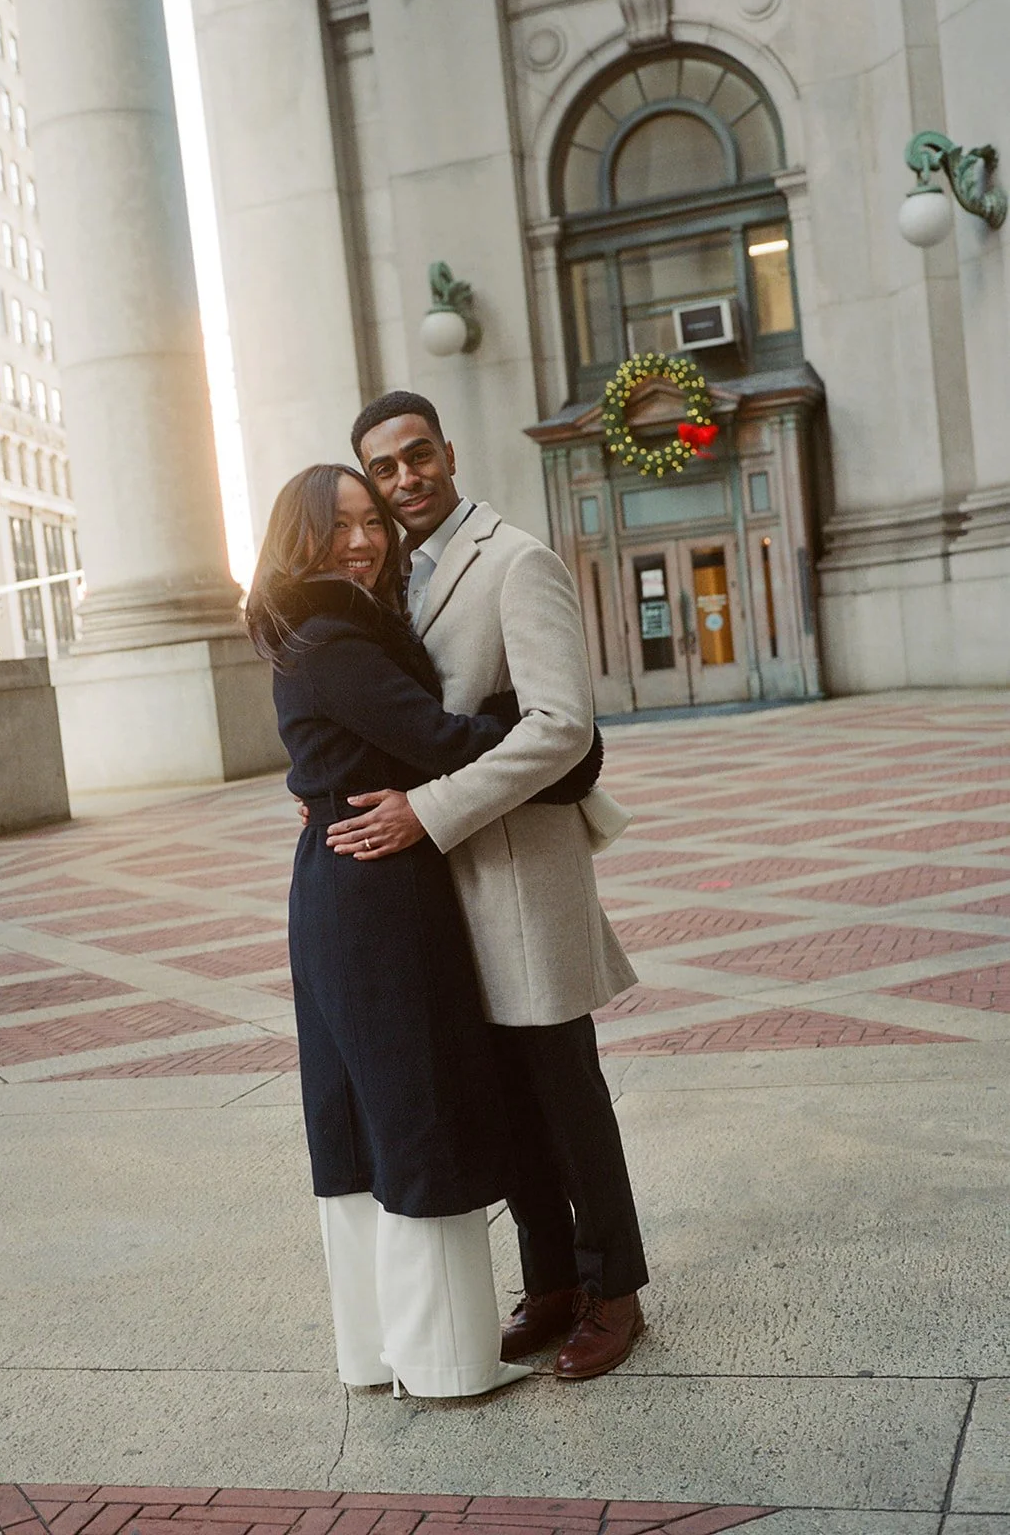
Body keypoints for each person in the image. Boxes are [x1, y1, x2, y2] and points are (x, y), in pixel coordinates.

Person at [327, 391, 650, 1381]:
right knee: (505, 1104)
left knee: (563, 1094)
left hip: (519, 876)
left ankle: (616, 1289)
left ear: (449, 451)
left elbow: (561, 728)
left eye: (416, 455)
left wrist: (426, 809)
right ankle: (549, 1282)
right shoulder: (396, 585)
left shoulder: (515, 560)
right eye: (383, 468)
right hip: (448, 895)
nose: (404, 478)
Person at [245, 462, 533, 1399]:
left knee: (362, 1118)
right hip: (378, 888)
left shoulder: (313, 631)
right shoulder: (335, 637)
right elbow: (439, 740)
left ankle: (377, 1353)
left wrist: (318, 782)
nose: (363, 542)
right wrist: (539, 728)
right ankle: (448, 1365)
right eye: (337, 528)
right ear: (300, 540)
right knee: (418, 1106)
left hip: (339, 881)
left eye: (370, 522)